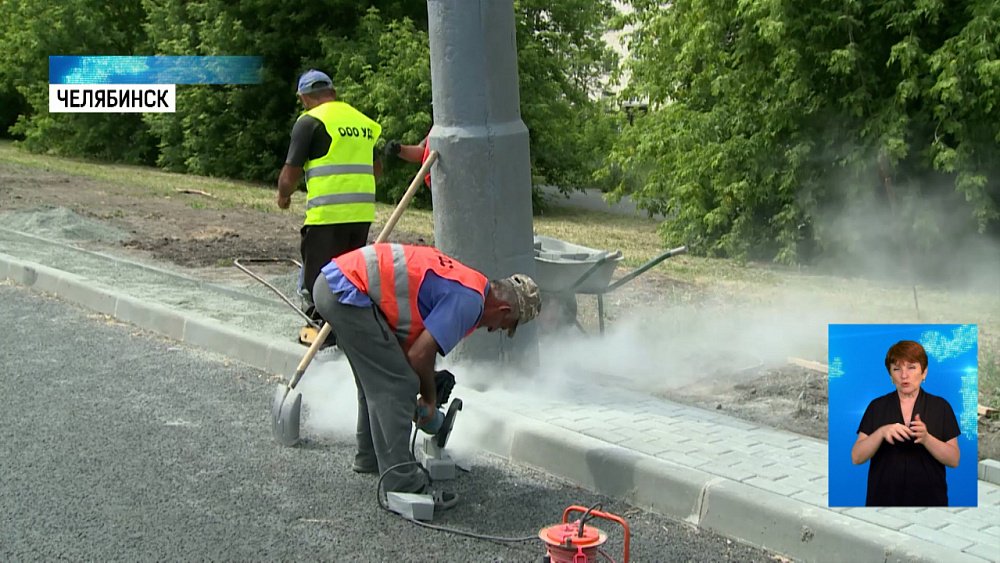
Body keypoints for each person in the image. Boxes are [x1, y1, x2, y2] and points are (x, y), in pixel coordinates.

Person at [312, 242, 541, 508]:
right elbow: (420, 355)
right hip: (348, 291)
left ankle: (370, 457)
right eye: (505, 326)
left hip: (338, 284)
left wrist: (426, 379)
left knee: (377, 379)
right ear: (504, 311)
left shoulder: (470, 282)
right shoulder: (469, 302)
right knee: (396, 385)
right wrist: (429, 398)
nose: (494, 331)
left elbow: (411, 347)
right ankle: (403, 484)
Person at [276, 69, 382, 346]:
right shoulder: (364, 123)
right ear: (332, 93)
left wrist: (283, 196)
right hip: (361, 213)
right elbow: (377, 169)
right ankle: (348, 330)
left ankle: (319, 331)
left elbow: (291, 172)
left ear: (304, 98)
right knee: (351, 274)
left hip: (326, 215)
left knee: (318, 279)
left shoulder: (310, 121)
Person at [850, 340, 960, 506]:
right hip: (883, 500)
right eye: (896, 369)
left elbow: (954, 459)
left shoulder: (941, 407)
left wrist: (927, 439)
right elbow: (856, 457)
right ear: (890, 375)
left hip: (930, 501)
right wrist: (880, 433)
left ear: (924, 372)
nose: (904, 375)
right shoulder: (877, 407)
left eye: (911, 367)